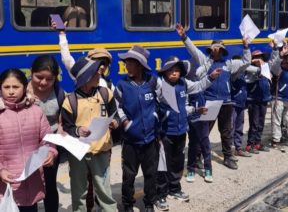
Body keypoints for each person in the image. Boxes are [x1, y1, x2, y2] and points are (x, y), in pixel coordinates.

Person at [176, 23, 251, 170]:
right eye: (214, 48)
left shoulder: (229, 64)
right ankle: (197, 158)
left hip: (226, 103)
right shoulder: (205, 61)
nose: (216, 50)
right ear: (211, 50)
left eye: (219, 49)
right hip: (209, 102)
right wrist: (184, 37)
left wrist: (246, 47)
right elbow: (193, 50)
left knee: (226, 131)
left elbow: (246, 62)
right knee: (203, 132)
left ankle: (228, 156)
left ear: (223, 51)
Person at [155, 56, 220, 209]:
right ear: (164, 72)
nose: (174, 73)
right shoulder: (159, 86)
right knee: (163, 164)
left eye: (177, 70)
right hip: (165, 132)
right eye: (170, 70)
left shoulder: (184, 84)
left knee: (177, 162)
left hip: (181, 130)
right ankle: (160, 194)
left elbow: (198, 87)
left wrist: (210, 77)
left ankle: (175, 189)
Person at [61, 57, 119, 212]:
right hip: (78, 153)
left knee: (104, 191)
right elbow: (67, 127)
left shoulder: (106, 94)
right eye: (95, 72)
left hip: (101, 150)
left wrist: (115, 123)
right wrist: (78, 130)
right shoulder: (70, 101)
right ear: (85, 77)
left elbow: (116, 115)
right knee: (79, 192)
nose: (99, 74)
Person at [0, 68, 57, 212]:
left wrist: (50, 153)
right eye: (6, 87)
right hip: (5, 187)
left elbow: (48, 140)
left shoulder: (36, 112)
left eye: (16, 87)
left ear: (25, 87)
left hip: (32, 184)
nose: (11, 91)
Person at [114, 46, 159, 212]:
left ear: (140, 65)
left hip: (150, 140)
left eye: (131, 63)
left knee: (150, 175)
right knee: (129, 176)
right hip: (131, 141)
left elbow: (161, 100)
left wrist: (156, 117)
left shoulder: (152, 82)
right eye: (126, 63)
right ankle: (127, 204)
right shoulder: (122, 85)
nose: (127, 66)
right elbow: (117, 108)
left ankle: (149, 203)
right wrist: (126, 123)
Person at [27, 55, 65, 212]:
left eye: (49, 79)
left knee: (49, 184)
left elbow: (61, 119)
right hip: (28, 146)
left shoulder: (59, 92)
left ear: (55, 79)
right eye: (39, 77)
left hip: (50, 145)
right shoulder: (20, 90)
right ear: (31, 73)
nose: (43, 82)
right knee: (29, 186)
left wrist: (61, 130)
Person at [245, 49, 272, 154]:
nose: (258, 59)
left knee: (261, 122)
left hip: (264, 99)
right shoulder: (250, 70)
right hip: (254, 100)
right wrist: (257, 71)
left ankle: (257, 142)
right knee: (254, 123)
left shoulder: (266, 68)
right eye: (255, 57)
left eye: (260, 57)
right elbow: (248, 80)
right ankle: (249, 144)